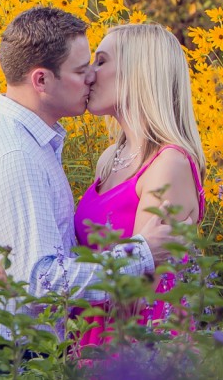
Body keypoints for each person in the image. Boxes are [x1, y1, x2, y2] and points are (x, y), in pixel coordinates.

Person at [0, 6, 171, 339]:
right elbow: (39, 281)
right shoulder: (17, 157)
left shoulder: (31, 143)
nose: (91, 77)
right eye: (81, 70)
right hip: (4, 363)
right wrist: (139, 256)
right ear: (41, 80)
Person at [73, 22, 206, 348]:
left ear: (139, 73)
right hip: (90, 339)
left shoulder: (169, 164)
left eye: (101, 61)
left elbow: (140, 288)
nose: (89, 74)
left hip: (136, 347)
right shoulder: (110, 159)